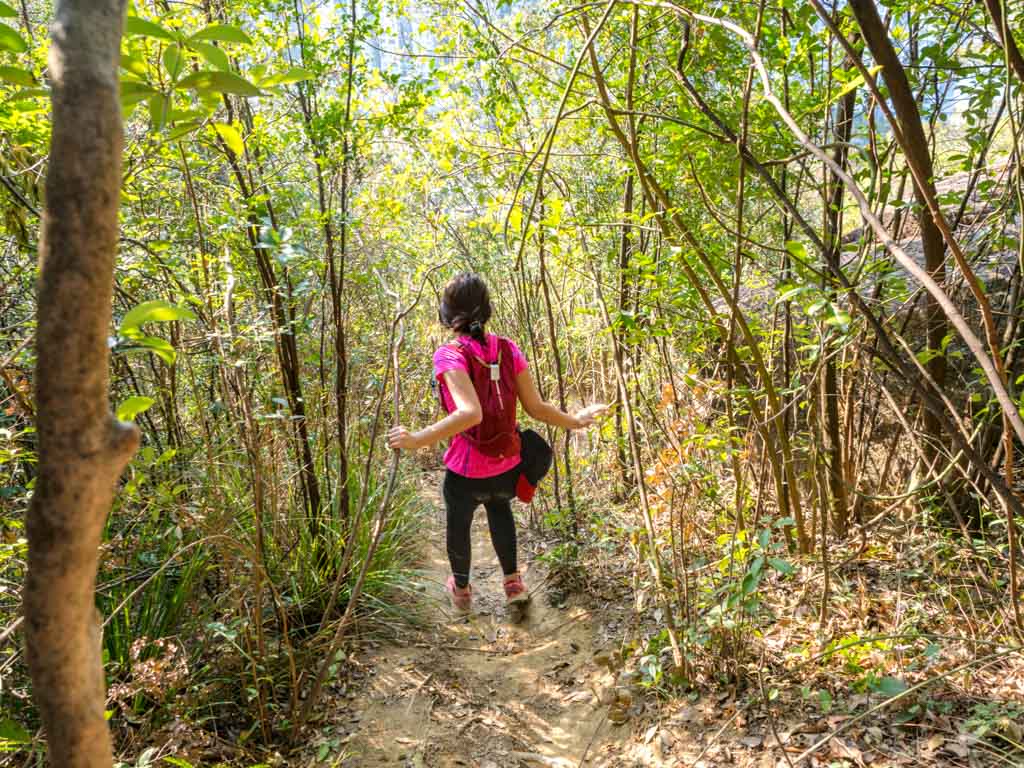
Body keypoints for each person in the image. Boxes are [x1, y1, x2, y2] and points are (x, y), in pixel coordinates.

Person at [387, 272, 607, 614]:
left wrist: (418, 439)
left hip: (465, 471)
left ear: (447, 317)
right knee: (500, 511)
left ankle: (461, 590)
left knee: (458, 525)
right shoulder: (507, 348)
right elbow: (536, 408)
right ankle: (513, 583)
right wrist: (575, 420)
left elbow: (470, 413)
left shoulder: (449, 355)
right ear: (487, 310)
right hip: (508, 464)